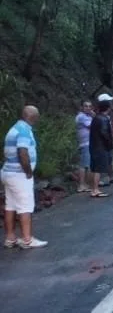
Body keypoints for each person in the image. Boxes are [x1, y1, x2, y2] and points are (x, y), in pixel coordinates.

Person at [3, 105, 47, 249]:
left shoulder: (14, 128)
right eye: (37, 115)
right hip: (19, 174)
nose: (38, 118)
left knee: (10, 205)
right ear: (32, 117)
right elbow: (22, 152)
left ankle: (10, 238)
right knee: (25, 206)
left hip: (8, 172)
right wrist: (28, 171)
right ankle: (27, 239)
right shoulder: (24, 130)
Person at [89, 94, 113, 197]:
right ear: (108, 107)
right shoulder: (103, 119)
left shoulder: (96, 117)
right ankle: (95, 190)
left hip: (94, 145)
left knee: (95, 168)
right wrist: (110, 144)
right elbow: (104, 133)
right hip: (101, 146)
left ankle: (94, 189)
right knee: (98, 169)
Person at [74, 100, 94, 193]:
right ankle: (82, 185)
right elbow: (92, 126)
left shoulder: (87, 116)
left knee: (86, 164)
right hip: (85, 143)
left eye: (90, 106)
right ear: (82, 107)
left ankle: (86, 183)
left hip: (89, 143)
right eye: (86, 106)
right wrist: (95, 116)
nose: (88, 108)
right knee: (84, 165)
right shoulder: (82, 117)